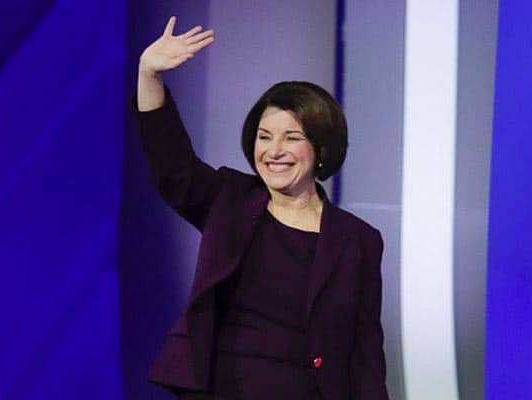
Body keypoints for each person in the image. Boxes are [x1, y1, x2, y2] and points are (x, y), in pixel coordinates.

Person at [135, 16, 389, 400]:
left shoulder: (359, 241)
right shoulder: (228, 199)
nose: (274, 151)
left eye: (292, 138)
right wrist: (149, 76)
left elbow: (365, 354)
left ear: (321, 148)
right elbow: (172, 165)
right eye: (265, 137)